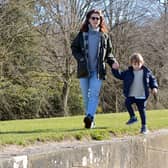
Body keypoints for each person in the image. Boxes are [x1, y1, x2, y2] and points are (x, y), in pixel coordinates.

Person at [71, 9, 118, 129]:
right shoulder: (82, 35)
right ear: (88, 19)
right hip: (84, 70)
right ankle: (90, 120)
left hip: (98, 71)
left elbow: (109, 53)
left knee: (94, 95)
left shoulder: (104, 36)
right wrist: (81, 59)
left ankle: (90, 117)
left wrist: (113, 62)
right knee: (85, 96)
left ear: (100, 20)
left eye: (98, 18)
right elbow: (74, 48)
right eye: (93, 18)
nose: (95, 20)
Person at [112, 53, 158, 134]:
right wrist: (115, 69)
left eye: (138, 64)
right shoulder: (128, 72)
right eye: (134, 64)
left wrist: (154, 87)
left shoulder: (146, 72)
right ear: (131, 64)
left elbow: (152, 80)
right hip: (131, 95)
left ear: (142, 63)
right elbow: (119, 75)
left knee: (142, 111)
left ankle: (144, 127)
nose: (136, 66)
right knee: (127, 103)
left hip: (142, 96)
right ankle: (133, 117)